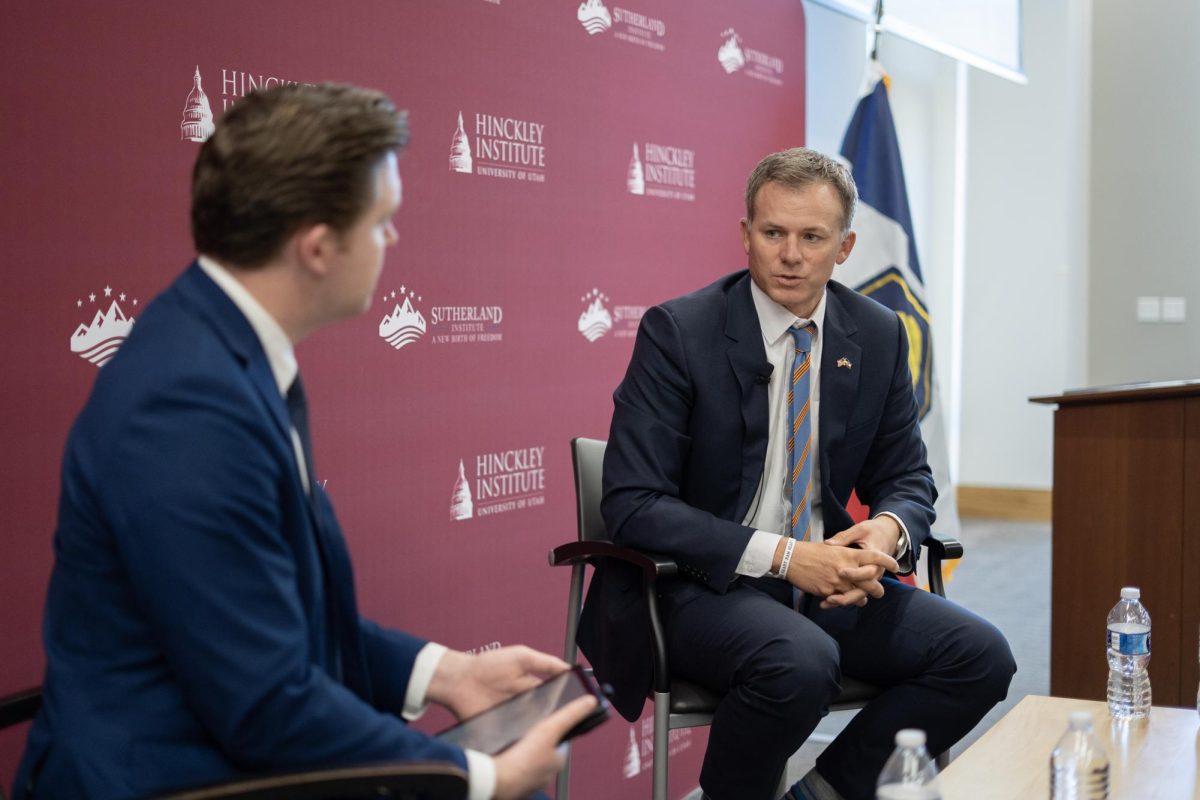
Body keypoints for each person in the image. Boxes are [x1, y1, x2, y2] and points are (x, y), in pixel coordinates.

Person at [13, 83, 595, 800]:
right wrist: (480, 778)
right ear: (317, 246)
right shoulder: (188, 407)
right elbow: (265, 704)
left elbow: (273, 630)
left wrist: (448, 674)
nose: (393, 240)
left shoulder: (228, 353)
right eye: (382, 221)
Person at [577, 147, 1015, 800]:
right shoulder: (679, 332)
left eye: (812, 237)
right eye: (773, 232)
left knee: (980, 656)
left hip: (824, 584)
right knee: (800, 663)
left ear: (844, 247)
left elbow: (907, 475)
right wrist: (785, 557)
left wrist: (887, 533)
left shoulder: (878, 333)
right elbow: (634, 503)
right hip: (696, 586)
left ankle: (821, 795)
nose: (790, 255)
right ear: (746, 233)